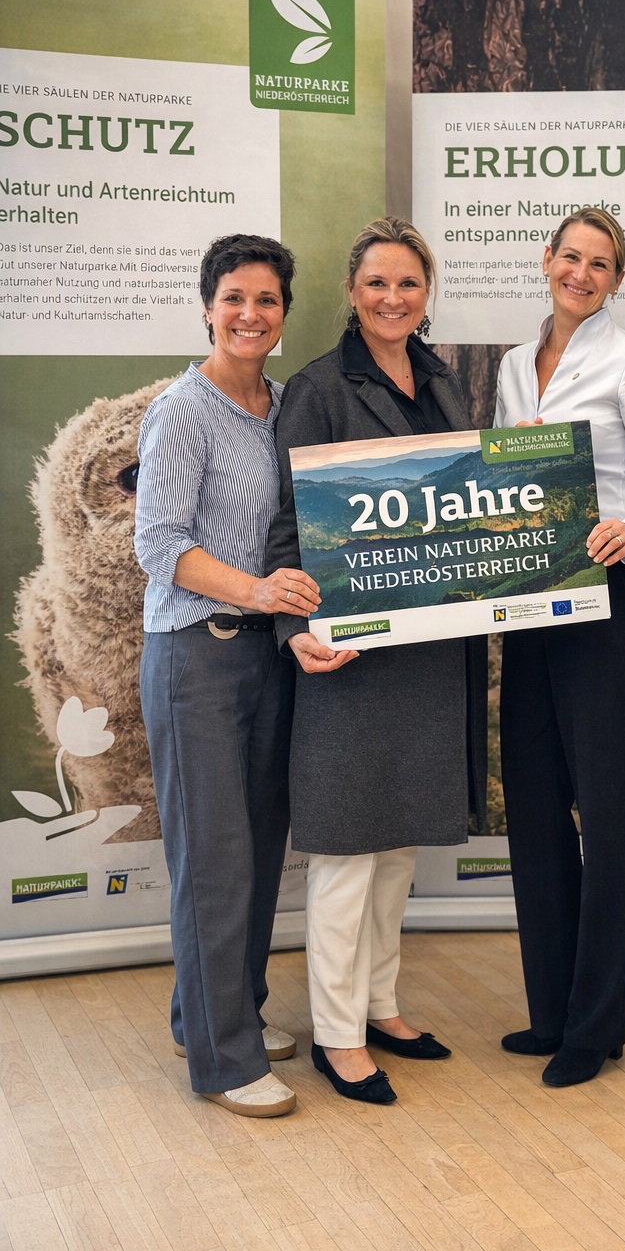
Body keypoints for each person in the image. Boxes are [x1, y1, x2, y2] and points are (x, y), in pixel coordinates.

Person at [266, 216, 487, 1106]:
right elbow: (286, 522)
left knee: (397, 848)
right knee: (348, 852)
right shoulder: (317, 388)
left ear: (427, 293)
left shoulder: (444, 381)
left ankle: (381, 1004)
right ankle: (337, 1034)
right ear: (352, 294)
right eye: (377, 284)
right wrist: (294, 630)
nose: (393, 298)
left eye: (408, 283)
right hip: (349, 651)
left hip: (430, 649)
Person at [494, 207, 625, 1087]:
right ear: (547, 260)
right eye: (570, 257)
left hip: (612, 595)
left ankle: (597, 1024)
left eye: (599, 264)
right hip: (533, 596)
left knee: (607, 809)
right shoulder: (513, 365)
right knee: (534, 799)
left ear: (616, 279)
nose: (581, 273)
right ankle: (551, 1012)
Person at [136, 233, 322, 1118]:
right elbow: (159, 544)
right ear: (208, 307)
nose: (251, 314)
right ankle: (224, 1061)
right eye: (235, 298)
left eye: (267, 300)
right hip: (196, 656)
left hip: (265, 654)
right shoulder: (183, 410)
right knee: (212, 860)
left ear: (285, 313)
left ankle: (216, 1013)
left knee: (252, 852)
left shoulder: (282, 407)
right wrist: (256, 590)